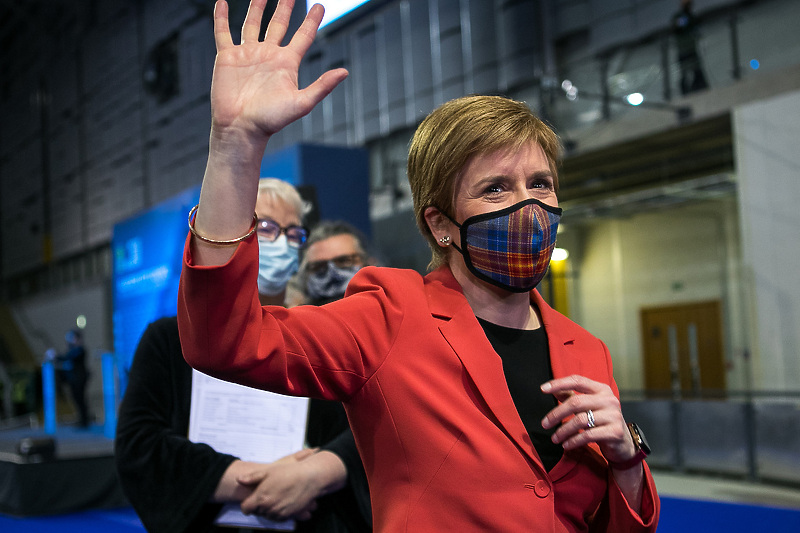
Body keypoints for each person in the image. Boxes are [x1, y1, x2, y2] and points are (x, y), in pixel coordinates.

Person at [177, 0, 660, 531]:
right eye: (496, 188)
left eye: (540, 184)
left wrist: (627, 459)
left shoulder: (586, 350)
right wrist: (236, 145)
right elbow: (226, 343)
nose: (528, 207)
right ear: (440, 225)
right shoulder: (389, 316)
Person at [115, 178, 369, 533]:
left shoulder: (321, 334)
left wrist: (314, 475)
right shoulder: (167, 340)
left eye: (292, 233)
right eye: (263, 228)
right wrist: (260, 483)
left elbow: (369, 432)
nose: (280, 242)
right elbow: (140, 446)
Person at [48, 329, 90, 428]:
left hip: (79, 379)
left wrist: (55, 356)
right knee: (77, 400)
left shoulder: (80, 350)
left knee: (81, 400)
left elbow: (67, 357)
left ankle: (84, 421)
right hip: (74, 379)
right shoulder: (73, 349)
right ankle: (82, 420)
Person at [672, 0, 708, 95]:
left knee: (697, 70)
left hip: (692, 49)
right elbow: (677, 28)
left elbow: (696, 27)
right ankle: (685, 93)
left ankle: (701, 88)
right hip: (683, 50)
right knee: (684, 74)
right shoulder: (680, 17)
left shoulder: (691, 17)